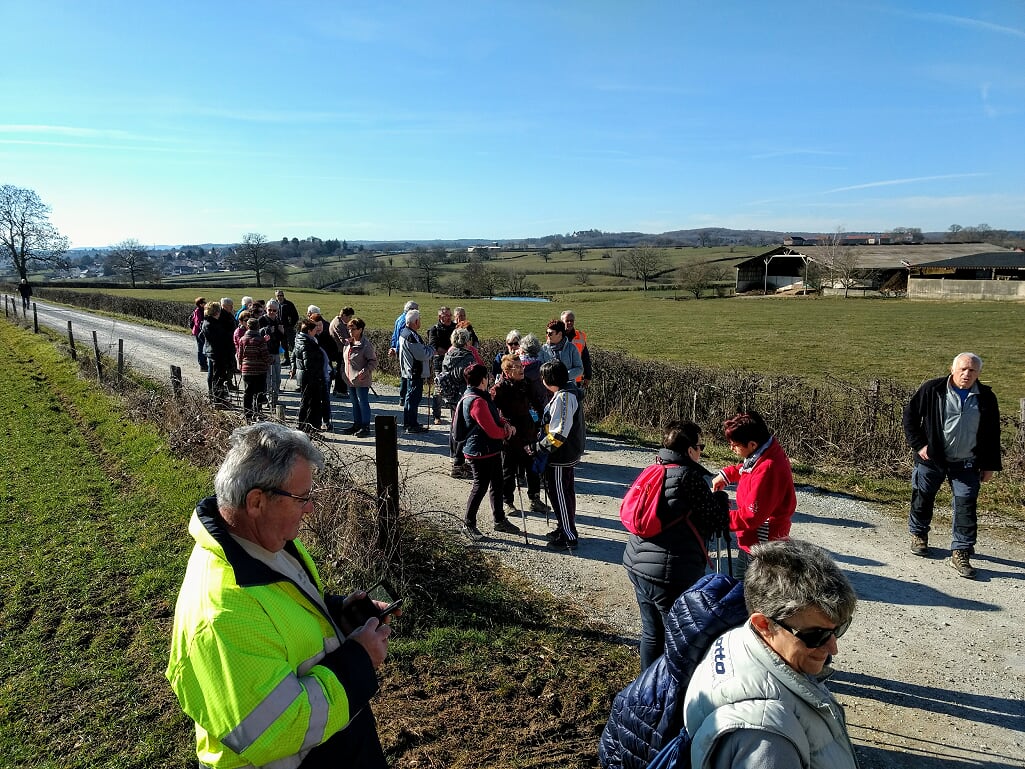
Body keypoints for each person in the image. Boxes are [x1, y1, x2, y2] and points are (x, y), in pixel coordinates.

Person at [166, 422, 393, 769]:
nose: (310, 509)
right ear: (256, 501)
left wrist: (337, 612)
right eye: (302, 498)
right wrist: (359, 659)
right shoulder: (222, 615)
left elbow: (283, 610)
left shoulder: (264, 542)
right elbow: (279, 728)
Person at [683, 539, 859, 769]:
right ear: (764, 624)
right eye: (815, 635)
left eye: (839, 629)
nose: (832, 648)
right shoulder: (766, 741)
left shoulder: (740, 638)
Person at [623, 421, 727, 670]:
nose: (701, 452)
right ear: (690, 450)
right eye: (700, 446)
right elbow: (716, 521)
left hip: (636, 563)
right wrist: (721, 498)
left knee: (651, 633)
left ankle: (647, 686)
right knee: (677, 637)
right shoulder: (689, 477)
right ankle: (671, 690)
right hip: (669, 574)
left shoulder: (654, 469)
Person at [903, 352, 1002, 579]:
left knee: (966, 503)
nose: (967, 374)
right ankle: (919, 534)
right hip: (931, 460)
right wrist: (919, 445)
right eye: (963, 369)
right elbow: (909, 417)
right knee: (923, 496)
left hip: (967, 463)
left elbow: (992, 434)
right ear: (953, 369)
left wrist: (989, 465)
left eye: (972, 370)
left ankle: (961, 550)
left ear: (979, 373)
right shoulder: (932, 389)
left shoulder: (986, 397)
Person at [712, 410, 796, 580]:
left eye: (735, 444)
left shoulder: (768, 468)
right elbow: (748, 471)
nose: (731, 448)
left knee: (748, 594)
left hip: (761, 544)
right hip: (752, 540)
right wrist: (728, 474)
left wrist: (720, 517)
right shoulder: (765, 452)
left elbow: (751, 516)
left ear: (752, 444)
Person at [454, 363, 521, 539]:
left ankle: (499, 520)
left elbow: (494, 416)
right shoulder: (477, 401)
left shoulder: (478, 395)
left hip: (488, 449)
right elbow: (490, 429)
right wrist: (507, 431)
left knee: (497, 484)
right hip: (480, 451)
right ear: (484, 379)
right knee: (480, 486)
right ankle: (468, 524)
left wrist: (504, 423)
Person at [530, 360, 585, 550]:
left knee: (560, 494)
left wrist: (539, 448)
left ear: (549, 379)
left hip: (560, 456)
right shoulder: (564, 393)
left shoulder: (564, 398)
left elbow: (559, 433)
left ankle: (568, 537)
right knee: (566, 493)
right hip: (564, 454)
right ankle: (565, 527)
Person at [491, 353, 544, 517]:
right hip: (510, 434)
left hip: (528, 430)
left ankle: (535, 498)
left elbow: (537, 403)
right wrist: (503, 426)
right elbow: (492, 412)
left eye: (522, 366)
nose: (522, 369)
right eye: (518, 367)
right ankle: (508, 502)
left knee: (532, 467)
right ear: (507, 371)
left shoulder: (526, 384)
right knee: (508, 470)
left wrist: (541, 421)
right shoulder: (499, 389)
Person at [439, 327, 478, 477]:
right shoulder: (467, 357)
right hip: (464, 396)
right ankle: (458, 463)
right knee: (463, 428)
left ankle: (454, 457)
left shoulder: (449, 354)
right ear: (467, 340)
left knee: (454, 426)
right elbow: (471, 377)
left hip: (451, 395)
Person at [398, 309, 433, 434]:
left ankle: (408, 423)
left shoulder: (404, 332)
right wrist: (431, 349)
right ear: (416, 321)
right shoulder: (411, 336)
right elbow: (421, 354)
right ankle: (411, 425)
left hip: (408, 370)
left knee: (409, 398)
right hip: (414, 371)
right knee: (414, 398)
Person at [341, 316, 377, 438]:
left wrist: (365, 371)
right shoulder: (348, 343)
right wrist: (343, 373)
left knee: (363, 402)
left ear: (360, 329)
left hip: (361, 380)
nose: (350, 332)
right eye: (349, 329)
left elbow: (373, 361)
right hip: (350, 380)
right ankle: (357, 424)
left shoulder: (366, 345)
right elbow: (345, 360)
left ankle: (365, 426)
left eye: (353, 329)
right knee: (354, 403)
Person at [292, 318, 326, 433]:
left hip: (304, 376)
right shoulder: (307, 343)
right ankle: (311, 427)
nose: (317, 332)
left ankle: (305, 426)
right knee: (312, 403)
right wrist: (318, 374)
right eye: (315, 329)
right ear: (309, 331)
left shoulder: (299, 339)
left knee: (306, 402)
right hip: (310, 378)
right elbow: (309, 364)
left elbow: (294, 357)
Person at [237, 317, 271, 422]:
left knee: (248, 392)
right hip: (260, 370)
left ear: (247, 327)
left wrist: (240, 364)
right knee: (259, 392)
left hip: (247, 370)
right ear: (258, 327)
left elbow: (240, 355)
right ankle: (258, 413)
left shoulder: (242, 339)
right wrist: (271, 360)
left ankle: (247, 414)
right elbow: (265, 356)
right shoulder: (260, 340)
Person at [201, 301, 234, 408]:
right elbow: (220, 339)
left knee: (216, 376)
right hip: (217, 353)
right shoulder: (211, 324)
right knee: (218, 378)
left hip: (214, 352)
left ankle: (217, 398)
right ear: (216, 312)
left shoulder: (209, 322)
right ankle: (218, 400)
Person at [427, 306, 456, 424]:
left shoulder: (455, 327)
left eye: (450, 315)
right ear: (440, 317)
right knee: (439, 389)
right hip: (440, 363)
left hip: (454, 362)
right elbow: (434, 347)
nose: (449, 318)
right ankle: (436, 415)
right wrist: (449, 353)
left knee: (454, 388)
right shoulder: (434, 329)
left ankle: (454, 416)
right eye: (446, 315)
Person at [539, 319, 583, 394]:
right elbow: (541, 369)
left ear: (559, 334)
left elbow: (579, 368)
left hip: (569, 390)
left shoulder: (571, 348)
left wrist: (564, 377)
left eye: (550, 333)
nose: (547, 335)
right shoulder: (543, 349)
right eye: (547, 333)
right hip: (549, 392)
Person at [259, 299, 287, 412]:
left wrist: (281, 331)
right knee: (270, 379)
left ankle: (275, 400)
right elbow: (259, 335)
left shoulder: (278, 320)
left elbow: (282, 338)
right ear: (266, 309)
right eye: (269, 310)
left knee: (278, 378)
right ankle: (271, 402)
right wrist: (267, 330)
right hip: (266, 352)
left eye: (274, 310)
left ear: (277, 311)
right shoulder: (262, 320)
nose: (271, 312)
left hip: (276, 352)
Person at [390, 300, 418, 407]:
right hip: (404, 350)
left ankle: (403, 397)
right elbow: (404, 338)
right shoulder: (405, 321)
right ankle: (404, 397)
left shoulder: (399, 318)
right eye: (416, 310)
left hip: (399, 349)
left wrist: (393, 347)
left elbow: (394, 335)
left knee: (404, 373)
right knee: (406, 374)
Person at [561, 310, 592, 389]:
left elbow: (585, 358)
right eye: (567, 321)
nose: (570, 323)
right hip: (559, 378)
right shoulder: (556, 335)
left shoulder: (580, 336)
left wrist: (588, 376)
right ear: (562, 321)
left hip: (576, 378)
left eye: (571, 320)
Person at [329, 307, 355, 397]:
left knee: (340, 369)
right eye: (349, 317)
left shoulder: (337, 321)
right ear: (344, 315)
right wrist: (354, 340)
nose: (350, 319)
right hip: (340, 350)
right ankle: (341, 390)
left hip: (339, 349)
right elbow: (344, 340)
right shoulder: (339, 324)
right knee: (342, 371)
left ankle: (337, 389)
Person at [274, 289, 300, 365]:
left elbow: (295, 316)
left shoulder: (289, 304)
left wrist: (291, 325)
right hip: (279, 328)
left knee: (292, 344)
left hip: (289, 328)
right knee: (283, 344)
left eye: (281, 295)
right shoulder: (275, 305)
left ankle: (296, 359)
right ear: (276, 296)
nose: (280, 297)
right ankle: (287, 359)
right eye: (278, 295)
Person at [190, 297, 207, 372]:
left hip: (202, 332)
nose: (205, 303)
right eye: (204, 302)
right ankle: (202, 365)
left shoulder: (202, 310)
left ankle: (204, 364)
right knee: (201, 348)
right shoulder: (198, 311)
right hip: (199, 332)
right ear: (200, 304)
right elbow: (197, 323)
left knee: (203, 348)